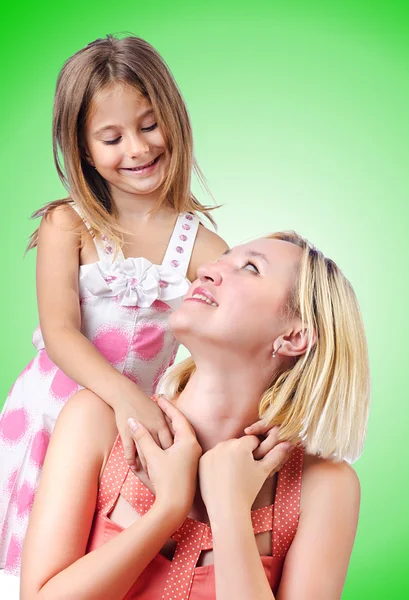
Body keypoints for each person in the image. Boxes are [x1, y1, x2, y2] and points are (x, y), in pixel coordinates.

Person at [21, 232, 370, 599]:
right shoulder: (97, 423)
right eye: (222, 259)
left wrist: (230, 509)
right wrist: (167, 509)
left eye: (250, 268)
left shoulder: (323, 487)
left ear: (294, 337)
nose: (207, 270)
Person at [0, 34, 228, 575]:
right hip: (50, 417)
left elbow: (235, 334)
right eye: (112, 136)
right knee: (27, 549)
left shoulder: (202, 247)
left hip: (128, 438)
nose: (138, 149)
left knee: (93, 559)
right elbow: (61, 333)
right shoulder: (68, 224)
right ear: (82, 149)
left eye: (150, 125)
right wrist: (124, 395)